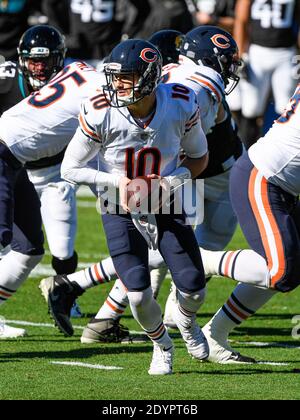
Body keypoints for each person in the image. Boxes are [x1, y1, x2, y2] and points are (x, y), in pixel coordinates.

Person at [44, 38, 209, 375]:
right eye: (114, 76)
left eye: (126, 77)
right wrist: (119, 183)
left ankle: (186, 321)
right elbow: (69, 168)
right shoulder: (102, 110)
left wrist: (168, 183)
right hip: (116, 201)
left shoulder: (179, 103)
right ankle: (162, 344)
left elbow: (199, 158)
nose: (117, 85)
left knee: (193, 286)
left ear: (149, 78)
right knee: (136, 293)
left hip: (165, 197)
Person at [0, 48, 106, 338]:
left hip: (23, 164)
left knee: (29, 248)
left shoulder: (83, 74)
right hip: (7, 156)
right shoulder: (105, 98)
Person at [194, 82, 300, 363]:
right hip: (263, 179)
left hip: (282, 183)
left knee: (289, 268)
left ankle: (215, 335)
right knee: (282, 271)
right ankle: (202, 260)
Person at [234, 0, 300, 148]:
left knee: (285, 107)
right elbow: (241, 19)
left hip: (286, 53)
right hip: (258, 52)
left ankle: (276, 150)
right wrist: (241, 54)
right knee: (251, 107)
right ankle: (246, 151)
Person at [43, 0, 151, 68]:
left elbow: (143, 7)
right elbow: (49, 4)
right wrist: (62, 34)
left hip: (105, 52)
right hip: (77, 50)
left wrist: (126, 35)